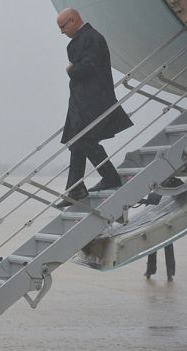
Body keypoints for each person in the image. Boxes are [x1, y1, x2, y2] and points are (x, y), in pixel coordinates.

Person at [55, 7, 133, 208]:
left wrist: (71, 69)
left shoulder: (92, 38)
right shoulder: (83, 40)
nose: (62, 32)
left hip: (94, 101)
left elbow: (89, 67)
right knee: (76, 141)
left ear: (73, 20)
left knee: (85, 139)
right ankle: (75, 188)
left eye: (63, 26)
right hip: (81, 102)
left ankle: (109, 177)